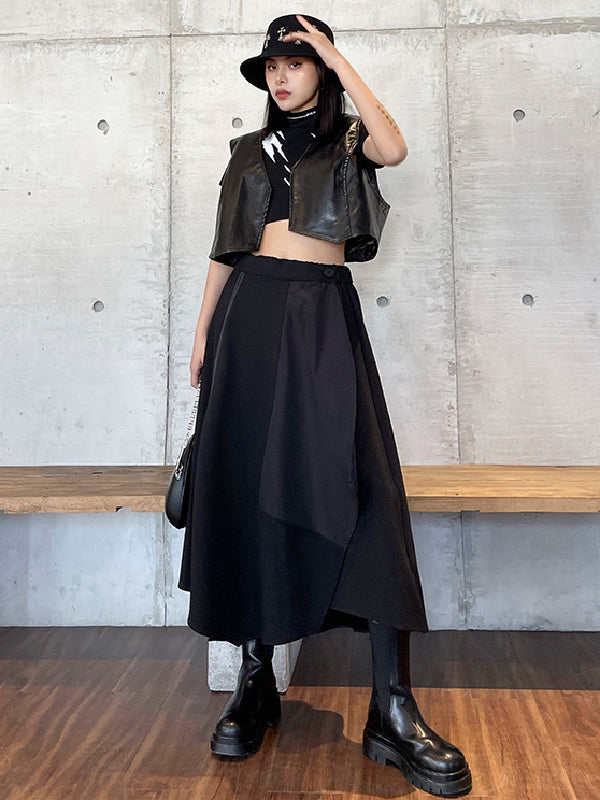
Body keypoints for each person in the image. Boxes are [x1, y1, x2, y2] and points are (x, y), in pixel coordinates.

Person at [177, 13, 472, 798]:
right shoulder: (248, 152)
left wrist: (338, 57)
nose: (282, 76)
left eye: (297, 62)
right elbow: (225, 249)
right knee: (248, 492)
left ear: (321, 70)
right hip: (248, 319)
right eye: (273, 65)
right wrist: (202, 334)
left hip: (322, 316)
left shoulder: (348, 140)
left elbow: (395, 148)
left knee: (366, 492)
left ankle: (392, 709)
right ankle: (255, 682)